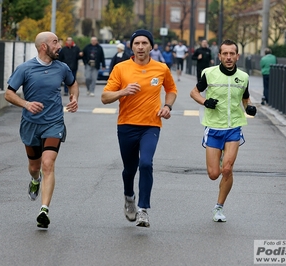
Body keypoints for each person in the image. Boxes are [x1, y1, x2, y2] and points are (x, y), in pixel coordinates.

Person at [101, 29, 177, 228]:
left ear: (151, 46)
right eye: (137, 43)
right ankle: (129, 197)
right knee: (129, 169)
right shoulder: (121, 68)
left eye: (145, 43)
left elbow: (171, 89)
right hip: (126, 124)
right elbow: (105, 97)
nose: (141, 47)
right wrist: (123, 91)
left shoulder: (161, 68)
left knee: (145, 163)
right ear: (131, 47)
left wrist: (167, 107)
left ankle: (143, 210)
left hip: (151, 125)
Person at [4, 31, 79, 228]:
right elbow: (9, 94)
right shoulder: (26, 68)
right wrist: (26, 104)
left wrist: (74, 98)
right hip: (30, 124)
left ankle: (44, 210)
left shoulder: (62, 68)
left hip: (53, 122)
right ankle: (35, 180)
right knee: (35, 167)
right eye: (55, 42)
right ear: (43, 46)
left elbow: (73, 84)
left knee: (48, 163)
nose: (59, 46)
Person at [189, 39, 256, 223]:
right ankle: (220, 159)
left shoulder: (243, 77)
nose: (228, 57)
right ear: (219, 56)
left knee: (227, 169)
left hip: (234, 126)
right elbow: (194, 92)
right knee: (213, 174)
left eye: (231, 54)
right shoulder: (209, 74)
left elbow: (246, 98)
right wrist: (205, 102)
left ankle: (219, 207)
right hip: (213, 127)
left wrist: (249, 107)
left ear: (237, 56)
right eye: (225, 54)